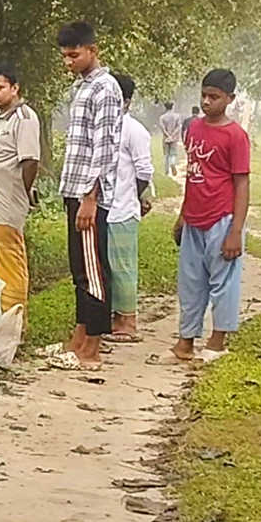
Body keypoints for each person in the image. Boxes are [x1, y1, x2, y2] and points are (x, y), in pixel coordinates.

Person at [53, 21, 123, 371]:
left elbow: (103, 148)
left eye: (74, 55)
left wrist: (90, 197)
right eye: (65, 57)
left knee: (93, 270)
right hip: (74, 188)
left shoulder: (105, 89)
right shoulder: (81, 87)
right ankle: (79, 338)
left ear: (93, 50)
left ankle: (93, 347)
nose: (69, 62)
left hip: (89, 193)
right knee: (80, 269)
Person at [172, 69, 250, 362]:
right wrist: (182, 215)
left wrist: (235, 231)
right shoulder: (193, 128)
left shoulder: (235, 136)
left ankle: (217, 342)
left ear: (229, 98)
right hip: (194, 217)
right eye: (203, 95)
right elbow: (193, 175)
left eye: (214, 97)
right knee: (190, 283)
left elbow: (242, 184)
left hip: (222, 217)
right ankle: (185, 342)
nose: (206, 102)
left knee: (223, 282)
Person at [0, 64, 41, 314]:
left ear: (14, 88)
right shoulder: (1, 119)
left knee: (10, 266)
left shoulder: (23, 118)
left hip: (7, 205)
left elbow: (30, 160)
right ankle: (0, 321)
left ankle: (15, 322)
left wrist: (22, 192)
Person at [105, 74, 154, 343]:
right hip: (105, 209)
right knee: (108, 267)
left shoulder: (134, 130)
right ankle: (114, 318)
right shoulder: (104, 127)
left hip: (122, 210)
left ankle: (129, 322)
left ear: (126, 102)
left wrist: (133, 197)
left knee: (123, 267)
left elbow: (144, 170)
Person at [158, 102, 183, 177]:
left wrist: (168, 135)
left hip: (166, 138)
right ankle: (172, 163)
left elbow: (162, 128)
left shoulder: (162, 117)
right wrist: (172, 135)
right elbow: (178, 127)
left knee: (166, 154)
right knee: (173, 153)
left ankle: (166, 171)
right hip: (174, 138)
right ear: (172, 107)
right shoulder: (177, 116)